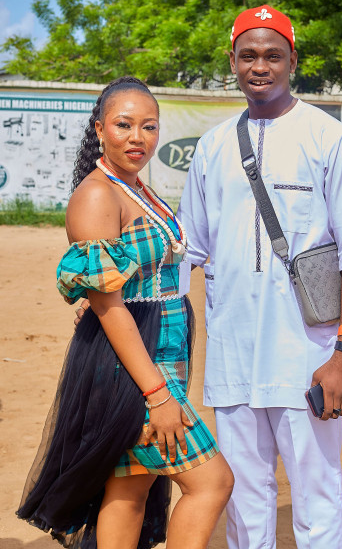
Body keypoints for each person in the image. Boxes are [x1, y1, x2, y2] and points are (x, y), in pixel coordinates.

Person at [176, 6, 342, 548]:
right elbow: (188, 252)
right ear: (232, 62)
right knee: (245, 498)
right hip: (233, 354)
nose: (259, 66)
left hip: (308, 357)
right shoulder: (213, 147)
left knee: (316, 494)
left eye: (272, 55)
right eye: (248, 56)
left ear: (293, 61)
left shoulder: (329, 138)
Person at [16, 76, 233, 549]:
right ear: (99, 129)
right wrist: (157, 393)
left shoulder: (136, 188)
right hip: (133, 367)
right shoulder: (97, 195)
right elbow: (109, 305)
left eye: (149, 126)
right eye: (124, 124)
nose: (138, 137)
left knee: (130, 485)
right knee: (211, 482)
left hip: (154, 352)